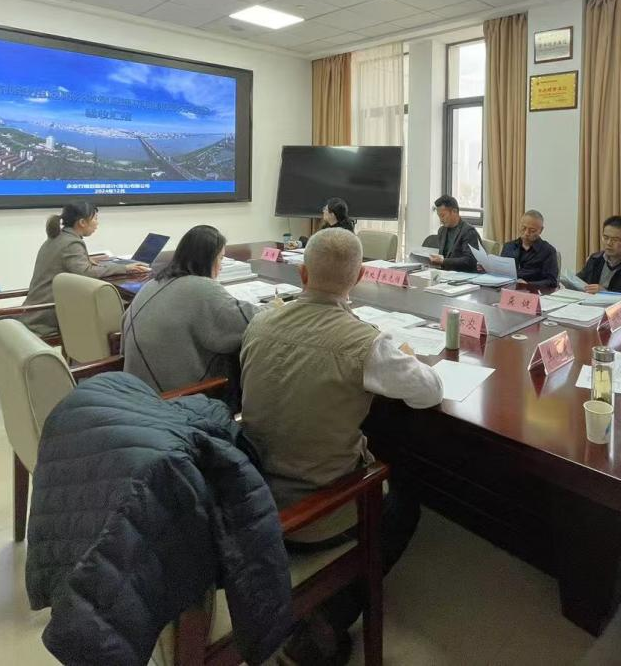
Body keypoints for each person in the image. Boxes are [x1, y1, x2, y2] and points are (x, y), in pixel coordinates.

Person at [239, 228, 442, 664]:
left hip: (249, 495)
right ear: (360, 276)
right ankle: (328, 619)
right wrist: (406, 357)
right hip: (315, 513)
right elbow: (429, 392)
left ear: (302, 273)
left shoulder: (260, 321)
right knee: (405, 503)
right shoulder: (364, 342)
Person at [122, 225, 257, 399]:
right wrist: (276, 307)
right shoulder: (202, 288)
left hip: (135, 392)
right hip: (176, 399)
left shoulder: (153, 283)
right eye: (221, 259)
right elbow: (249, 321)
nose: (221, 267)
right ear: (208, 259)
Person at [21, 202, 141, 336]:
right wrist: (124, 268)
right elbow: (87, 273)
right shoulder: (71, 243)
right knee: (118, 310)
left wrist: (86, 259)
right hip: (47, 315)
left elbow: (70, 264)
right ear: (82, 222)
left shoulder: (60, 237)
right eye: (95, 219)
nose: (97, 223)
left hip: (37, 309)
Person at [498, 210, 559, 288]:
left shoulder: (548, 251)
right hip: (507, 288)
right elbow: (500, 272)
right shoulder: (508, 247)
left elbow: (552, 281)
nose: (526, 233)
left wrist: (528, 284)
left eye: (532, 230)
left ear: (541, 230)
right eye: (523, 228)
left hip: (533, 291)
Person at [427, 194, 482, 272]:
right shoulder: (442, 231)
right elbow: (443, 256)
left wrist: (443, 261)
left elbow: (470, 261)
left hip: (463, 274)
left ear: (454, 211)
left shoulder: (469, 232)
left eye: (443, 215)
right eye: (439, 216)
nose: (441, 220)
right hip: (445, 273)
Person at [285, 197, 356, 250]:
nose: (323, 211)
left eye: (325, 209)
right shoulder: (327, 226)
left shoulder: (343, 233)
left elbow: (320, 245)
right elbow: (315, 242)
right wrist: (298, 243)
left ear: (332, 214)